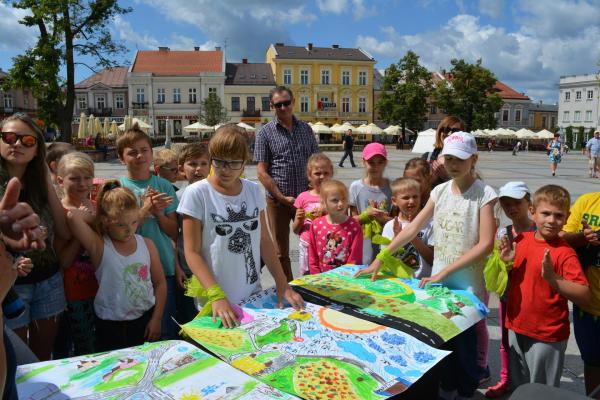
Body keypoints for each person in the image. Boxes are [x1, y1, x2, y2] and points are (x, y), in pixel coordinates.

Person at [357, 131, 497, 400]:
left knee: (466, 344)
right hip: (440, 285)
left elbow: (486, 243)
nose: (453, 165)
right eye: (449, 159)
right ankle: (446, 388)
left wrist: (444, 271)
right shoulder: (439, 191)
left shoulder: (485, 194)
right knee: (443, 341)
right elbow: (412, 229)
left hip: (467, 285)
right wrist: (380, 259)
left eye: (460, 159)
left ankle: (467, 391)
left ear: (474, 159)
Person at [178, 125, 304, 329]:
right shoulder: (197, 193)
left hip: (252, 295)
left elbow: (264, 241)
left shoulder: (253, 191)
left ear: (245, 162)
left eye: (234, 163)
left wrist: (282, 282)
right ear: (212, 158)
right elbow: (192, 252)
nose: (225, 170)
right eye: (219, 161)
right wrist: (215, 295)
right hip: (214, 300)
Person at [499, 185, 590, 390]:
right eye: (546, 213)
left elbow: (584, 295)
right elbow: (512, 281)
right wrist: (506, 263)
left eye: (558, 215)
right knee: (520, 388)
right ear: (532, 212)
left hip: (546, 335)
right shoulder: (521, 240)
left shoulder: (564, 253)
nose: (551, 220)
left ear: (567, 218)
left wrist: (553, 278)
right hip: (516, 326)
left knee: (540, 391)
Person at [0, 113, 70, 361]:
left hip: (48, 281)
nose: (16, 144)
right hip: (10, 287)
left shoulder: (40, 185)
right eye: (8, 137)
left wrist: (43, 174)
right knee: (17, 361)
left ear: (37, 149)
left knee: (41, 359)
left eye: (27, 141)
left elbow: (63, 229)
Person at [66, 180, 166, 351]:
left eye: (134, 222)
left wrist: (156, 319)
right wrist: (98, 220)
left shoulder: (147, 244)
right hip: (110, 325)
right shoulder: (99, 246)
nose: (129, 230)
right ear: (106, 221)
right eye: (121, 225)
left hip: (145, 319)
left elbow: (160, 283)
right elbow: (73, 216)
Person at [117, 124, 178, 339]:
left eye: (144, 150)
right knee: (138, 331)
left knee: (164, 329)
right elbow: (121, 233)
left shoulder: (164, 186)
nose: (139, 155)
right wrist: (145, 209)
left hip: (165, 266)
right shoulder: (117, 188)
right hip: (131, 270)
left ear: (152, 154)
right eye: (132, 152)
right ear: (122, 158)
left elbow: (173, 232)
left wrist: (160, 213)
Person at [254, 86, 319, 281]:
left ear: (293, 103)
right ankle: (288, 287)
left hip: (306, 198)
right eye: (278, 104)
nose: (283, 107)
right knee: (281, 251)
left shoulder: (306, 129)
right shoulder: (265, 133)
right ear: (272, 106)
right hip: (278, 201)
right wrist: (280, 196)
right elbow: (261, 171)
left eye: (286, 103)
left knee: (315, 243)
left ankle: (314, 283)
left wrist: (316, 191)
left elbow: (316, 161)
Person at [484, 182, 535, 398]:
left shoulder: (539, 230)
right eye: (506, 205)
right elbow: (495, 271)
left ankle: (532, 384)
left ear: (528, 203)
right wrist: (504, 262)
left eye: (517, 203)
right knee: (506, 341)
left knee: (529, 343)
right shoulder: (503, 233)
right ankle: (507, 379)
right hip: (508, 296)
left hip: (532, 298)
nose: (512, 208)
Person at [55, 152, 98, 356]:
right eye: (75, 178)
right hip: (72, 294)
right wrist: (79, 223)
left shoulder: (96, 208)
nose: (82, 183)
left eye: (87, 177)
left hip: (99, 289)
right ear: (60, 180)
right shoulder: (58, 212)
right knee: (81, 350)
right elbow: (63, 260)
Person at [561, 191, 600, 396]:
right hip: (588, 307)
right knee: (592, 362)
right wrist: (584, 236)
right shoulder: (586, 201)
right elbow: (562, 238)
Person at [175, 143, 211, 324]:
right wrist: (177, 266)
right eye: (193, 164)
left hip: (212, 264)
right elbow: (173, 235)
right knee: (193, 315)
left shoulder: (215, 194)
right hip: (188, 267)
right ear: (181, 168)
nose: (198, 169)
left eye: (204, 163)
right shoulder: (178, 197)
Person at [381, 178, 433, 279]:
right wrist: (397, 237)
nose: (411, 201)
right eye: (406, 198)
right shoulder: (390, 226)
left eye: (415, 196)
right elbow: (385, 259)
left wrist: (411, 235)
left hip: (422, 281)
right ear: (394, 201)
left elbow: (432, 260)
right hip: (398, 281)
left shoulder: (430, 224)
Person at [349, 142, 392, 265]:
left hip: (385, 244)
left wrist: (384, 219)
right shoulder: (355, 187)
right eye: (371, 162)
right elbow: (352, 221)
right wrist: (366, 214)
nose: (376, 166)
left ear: (386, 163)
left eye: (380, 162)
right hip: (362, 244)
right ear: (363, 162)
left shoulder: (392, 188)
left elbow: (397, 220)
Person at [308, 180, 362, 274]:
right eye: (335, 200)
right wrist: (316, 275)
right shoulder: (316, 225)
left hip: (345, 279)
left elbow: (355, 258)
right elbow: (312, 255)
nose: (341, 204)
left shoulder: (354, 226)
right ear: (324, 202)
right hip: (320, 278)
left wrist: (346, 276)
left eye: (344, 199)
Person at [293, 154, 333, 276]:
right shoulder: (302, 197)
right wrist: (299, 220)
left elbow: (342, 221)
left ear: (332, 174)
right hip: (307, 245)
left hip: (328, 246)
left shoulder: (335, 196)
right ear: (309, 176)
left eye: (326, 173)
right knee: (307, 276)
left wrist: (327, 212)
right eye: (317, 173)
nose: (322, 177)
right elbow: (295, 230)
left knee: (327, 276)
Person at [421, 116, 465, 188]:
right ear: (439, 132)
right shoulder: (427, 157)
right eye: (445, 130)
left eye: (455, 131)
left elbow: (467, 188)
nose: (449, 134)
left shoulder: (465, 159)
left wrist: (446, 178)